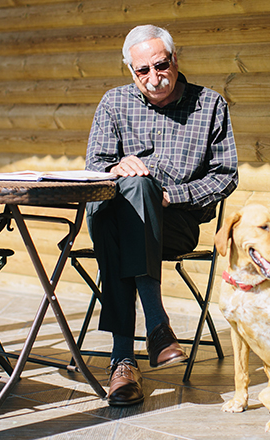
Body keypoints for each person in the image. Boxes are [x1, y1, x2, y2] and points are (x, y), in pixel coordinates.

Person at [85, 24, 238, 406]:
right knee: (132, 190)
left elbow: (226, 175)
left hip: (176, 223)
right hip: (115, 217)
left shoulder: (210, 105)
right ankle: (157, 327)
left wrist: (170, 196)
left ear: (174, 59)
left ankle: (123, 361)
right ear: (130, 71)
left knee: (137, 200)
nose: (155, 78)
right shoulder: (114, 103)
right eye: (143, 71)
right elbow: (95, 166)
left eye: (161, 65)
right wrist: (116, 168)